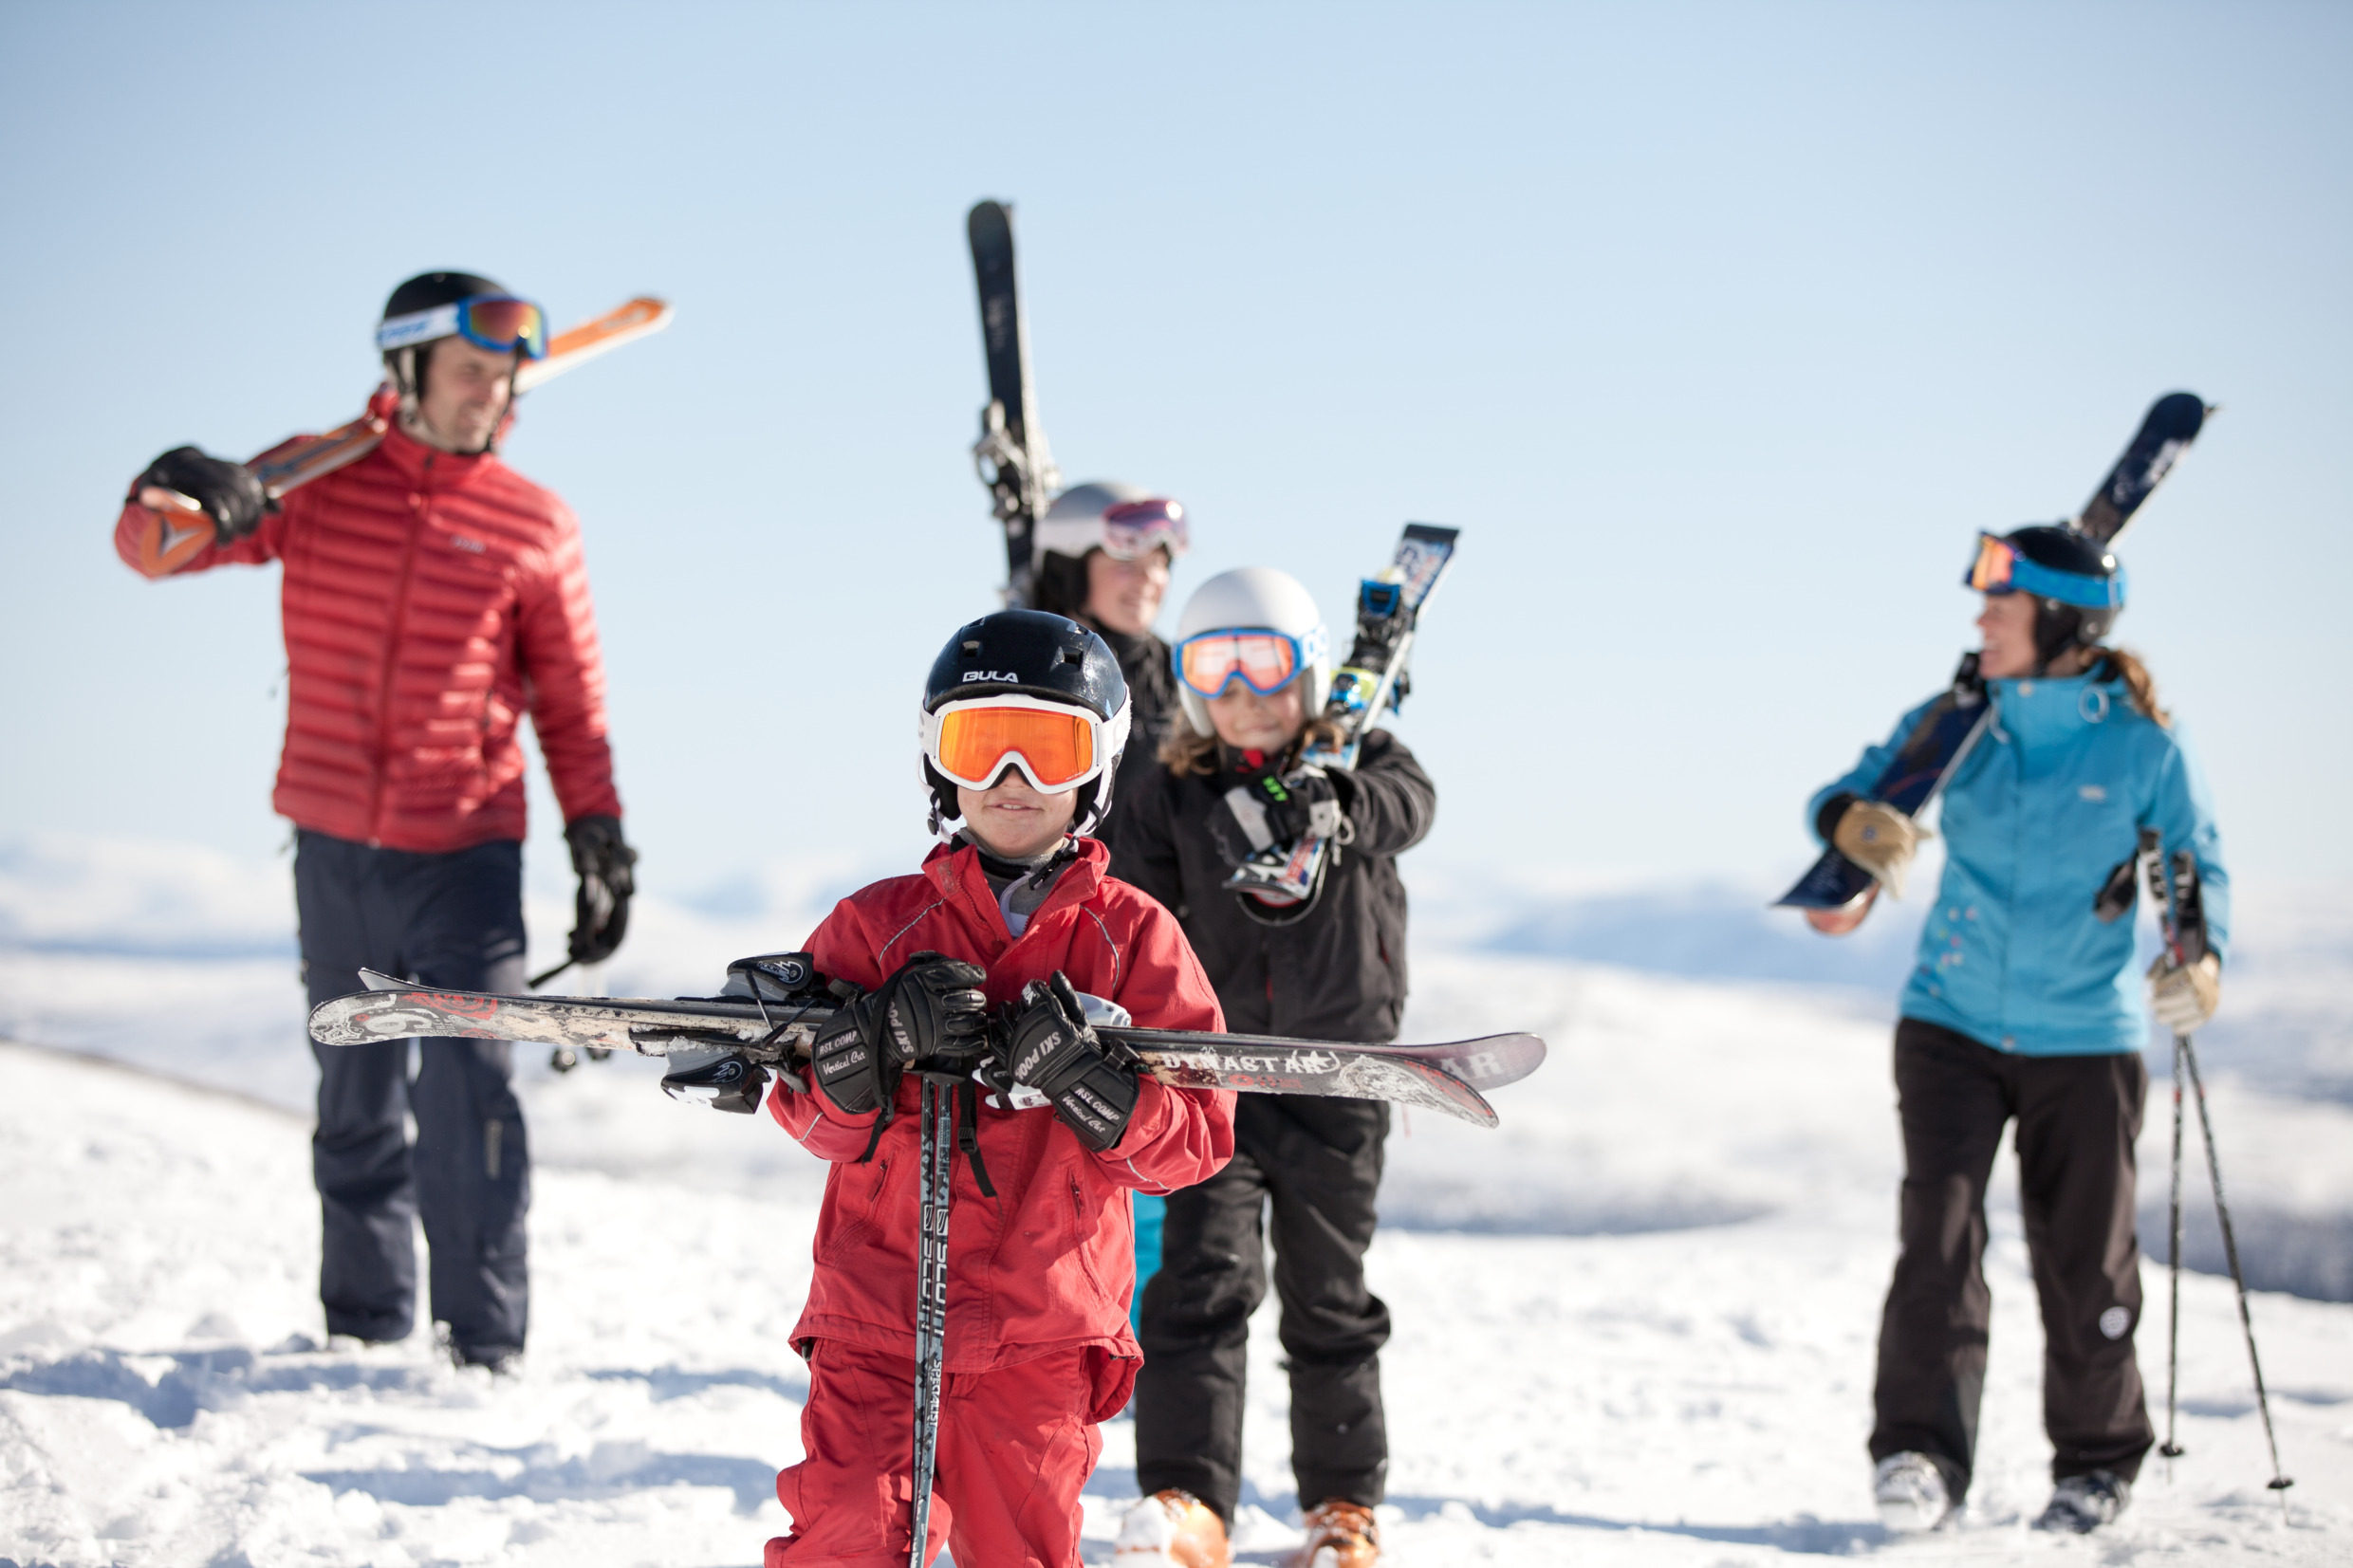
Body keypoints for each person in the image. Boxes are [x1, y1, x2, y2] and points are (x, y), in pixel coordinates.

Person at [109, 271, 639, 1371]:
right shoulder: (315, 479)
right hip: (335, 845)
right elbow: (155, 552)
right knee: (353, 1087)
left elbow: (573, 699)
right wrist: (167, 486)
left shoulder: (535, 523)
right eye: (471, 375)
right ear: (406, 370)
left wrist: (597, 836)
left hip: (468, 852)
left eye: (506, 382)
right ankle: (361, 1329)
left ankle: (484, 1348)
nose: (492, 399)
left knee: (469, 1092)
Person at [760, 608, 1236, 1568]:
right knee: (846, 1531)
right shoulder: (876, 927)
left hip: (1041, 1332)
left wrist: (1088, 1086)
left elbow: (1194, 1140)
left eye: (1047, 750)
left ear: (1096, 764)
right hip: (877, 1315)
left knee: (1014, 1554)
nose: (1012, 783)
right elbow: (808, 1112)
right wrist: (871, 1047)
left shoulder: (1132, 938)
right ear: (938, 761)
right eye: (981, 748)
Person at [1808, 525, 2228, 1535]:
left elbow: (2192, 870)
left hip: (2084, 1036)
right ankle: (1916, 1455)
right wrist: (1853, 838)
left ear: (2057, 622)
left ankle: (2094, 1461)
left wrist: (2196, 963)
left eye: (1996, 610)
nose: (1977, 624)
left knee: (2084, 1255)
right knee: (1936, 1240)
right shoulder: (1961, 723)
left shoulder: (2141, 747)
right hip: (1948, 1021)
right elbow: (1847, 793)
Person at [1113, 568, 1437, 1568]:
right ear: (1188, 680)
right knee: (1198, 1284)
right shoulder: (1169, 789)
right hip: (1214, 1082)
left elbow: (1410, 806)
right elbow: (1135, 911)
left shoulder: (1360, 762)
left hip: (1338, 1079)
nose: (1246, 687)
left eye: (1268, 662)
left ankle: (1342, 1508)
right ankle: (1187, 1500)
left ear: (1309, 671)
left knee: (1328, 1295)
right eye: (1217, 665)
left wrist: (1337, 797)